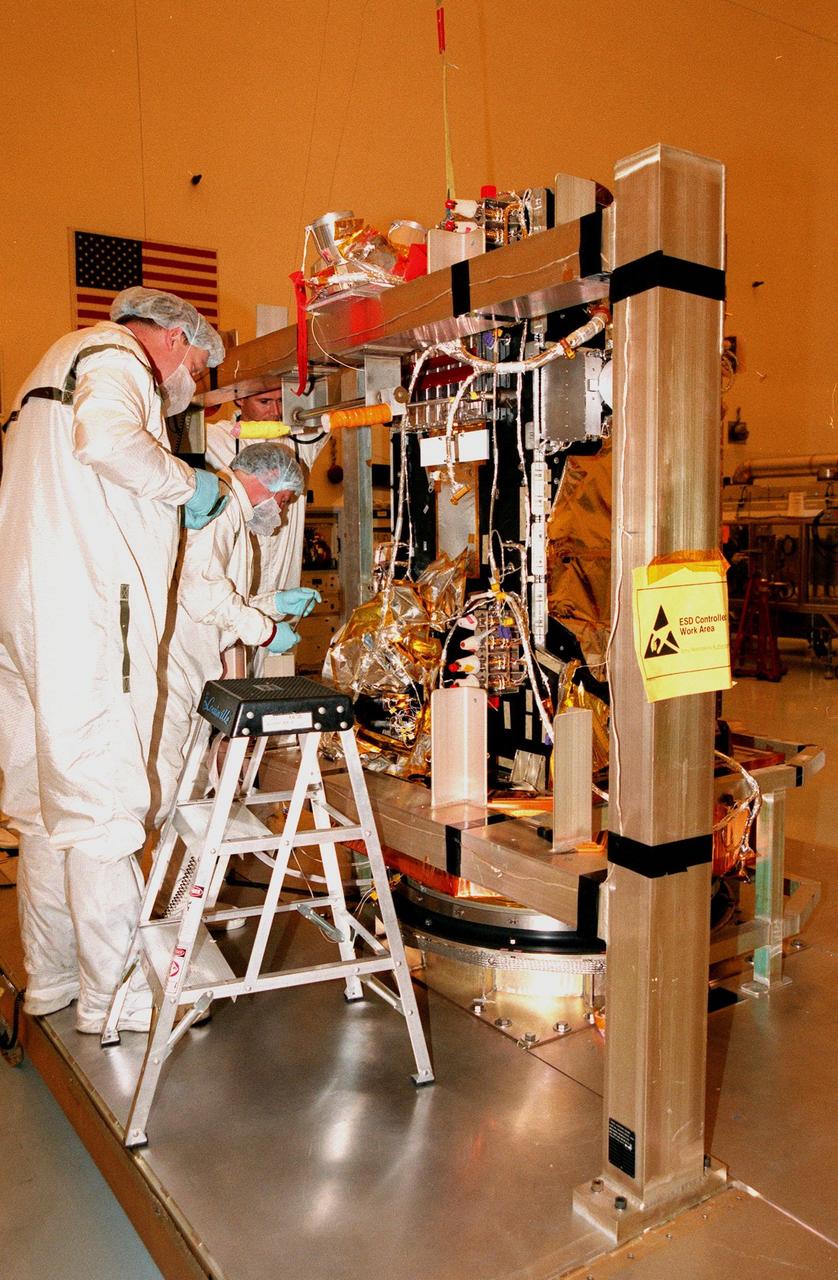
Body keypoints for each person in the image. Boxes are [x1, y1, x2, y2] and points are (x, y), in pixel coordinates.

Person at [0, 286, 226, 1034]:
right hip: (86, 613)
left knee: (41, 811)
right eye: (194, 363)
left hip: (25, 613)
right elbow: (107, 442)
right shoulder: (115, 356)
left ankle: (54, 978)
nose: (187, 382)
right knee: (105, 811)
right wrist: (186, 483)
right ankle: (117, 992)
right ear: (168, 335)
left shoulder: (48, 368)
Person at [153, 442, 319, 821]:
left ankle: (167, 875)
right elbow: (201, 595)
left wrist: (275, 604)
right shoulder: (220, 507)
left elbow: (225, 603)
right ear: (270, 481)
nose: (281, 511)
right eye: (285, 500)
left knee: (182, 785)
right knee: (164, 788)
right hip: (175, 669)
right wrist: (266, 633)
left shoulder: (230, 514)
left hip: (192, 670)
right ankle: (144, 879)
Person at [205, 389, 330, 599]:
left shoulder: (299, 441)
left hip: (283, 595)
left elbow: (333, 408)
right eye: (264, 401)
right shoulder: (214, 438)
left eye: (281, 401)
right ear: (239, 397)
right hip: (230, 598)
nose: (276, 411)